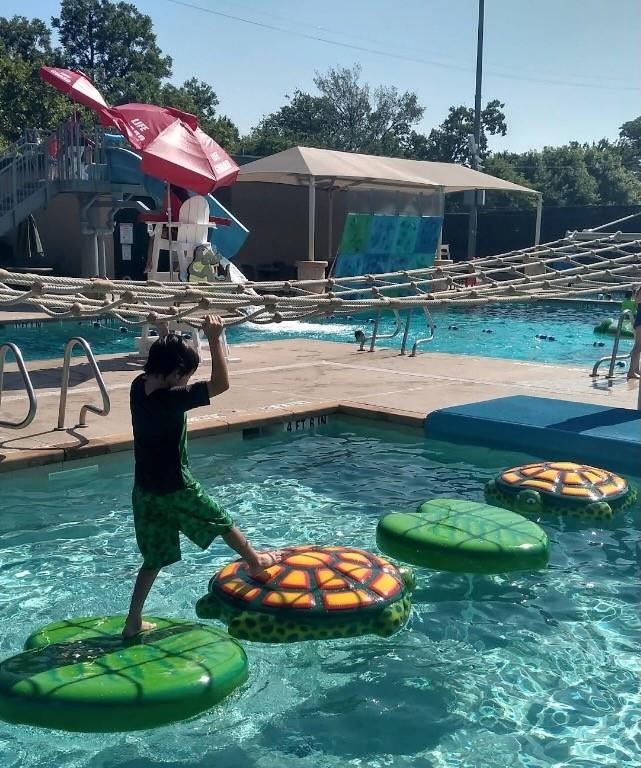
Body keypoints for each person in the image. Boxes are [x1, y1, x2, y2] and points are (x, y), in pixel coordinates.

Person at [123, 314, 281, 638]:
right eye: (185, 376)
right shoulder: (172, 398)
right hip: (176, 487)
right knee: (221, 520)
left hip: (145, 491)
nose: (187, 381)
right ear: (176, 374)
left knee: (152, 560)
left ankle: (133, 621)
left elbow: (164, 363)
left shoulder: (139, 387)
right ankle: (255, 561)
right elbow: (221, 384)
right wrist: (214, 337)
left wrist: (165, 331)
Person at [628, 287, 641, 380]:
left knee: (638, 347)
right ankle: (631, 372)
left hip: (639, 321)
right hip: (640, 322)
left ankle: (636, 370)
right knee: (638, 346)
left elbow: (636, 301)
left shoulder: (639, 291)